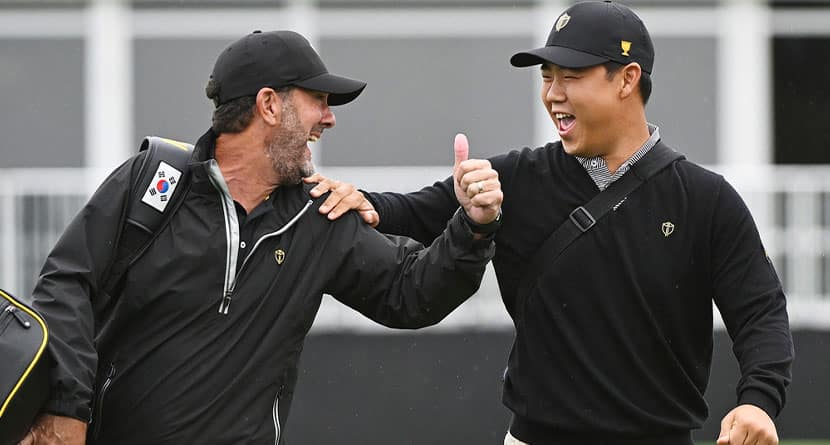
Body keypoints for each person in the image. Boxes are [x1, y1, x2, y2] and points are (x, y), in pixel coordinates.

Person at [308, 2, 794, 445]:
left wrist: (758, 401)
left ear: (626, 79)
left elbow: (760, 312)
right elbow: (406, 211)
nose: (553, 94)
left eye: (572, 75)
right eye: (547, 76)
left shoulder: (706, 200)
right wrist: (360, 200)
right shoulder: (516, 177)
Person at [21, 30, 503, 445]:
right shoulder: (152, 181)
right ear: (269, 104)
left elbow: (410, 293)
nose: (329, 118)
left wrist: (472, 225)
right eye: (319, 100)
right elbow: (66, 286)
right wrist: (64, 409)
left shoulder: (320, 215)